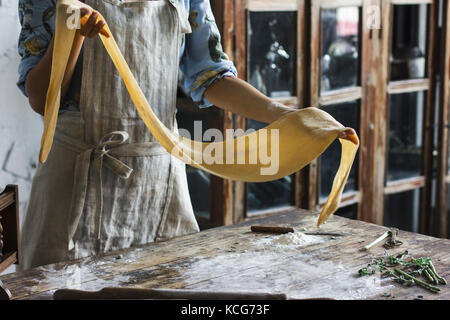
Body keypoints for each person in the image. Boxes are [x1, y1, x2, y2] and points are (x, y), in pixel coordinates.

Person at [17, 0, 355, 270]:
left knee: (169, 284)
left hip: (158, 179)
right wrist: (72, 31)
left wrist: (283, 115)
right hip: (76, 178)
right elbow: (40, 99)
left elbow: (210, 76)